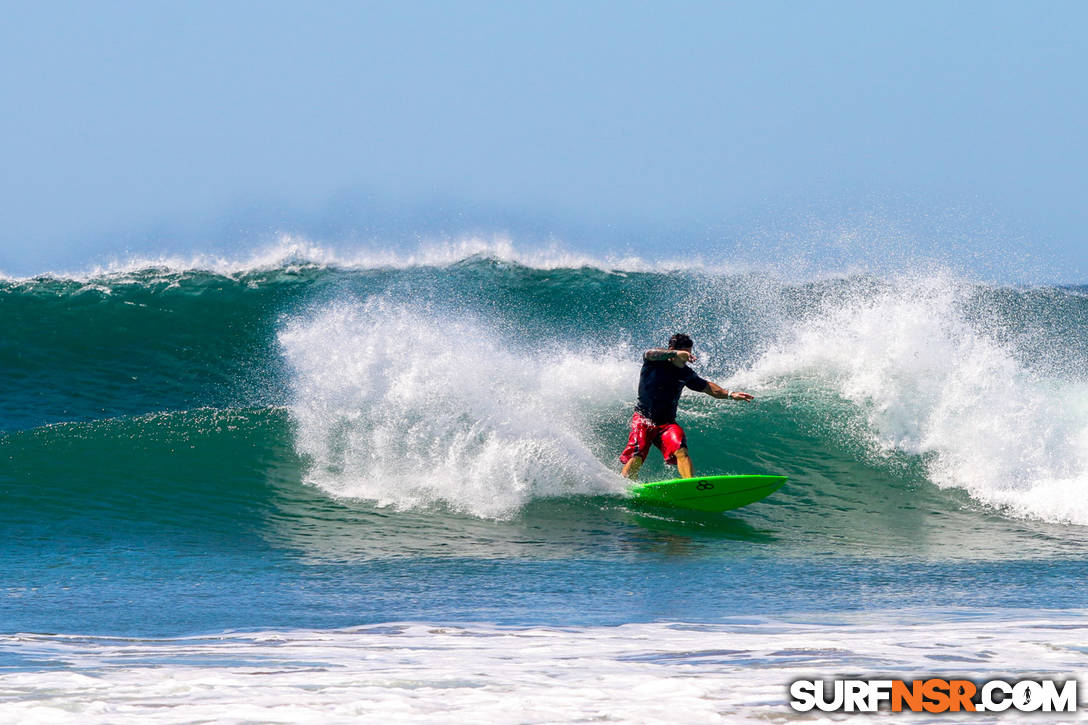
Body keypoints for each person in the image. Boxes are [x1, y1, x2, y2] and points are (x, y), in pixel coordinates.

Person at [620, 333, 753, 480]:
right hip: (644, 419)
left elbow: (708, 387)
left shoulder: (685, 373)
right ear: (672, 350)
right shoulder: (653, 362)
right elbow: (649, 353)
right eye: (685, 353)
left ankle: (690, 485)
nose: (687, 357)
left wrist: (730, 394)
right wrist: (677, 353)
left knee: (681, 451)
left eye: (689, 353)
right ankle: (626, 484)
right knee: (637, 455)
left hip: (667, 424)